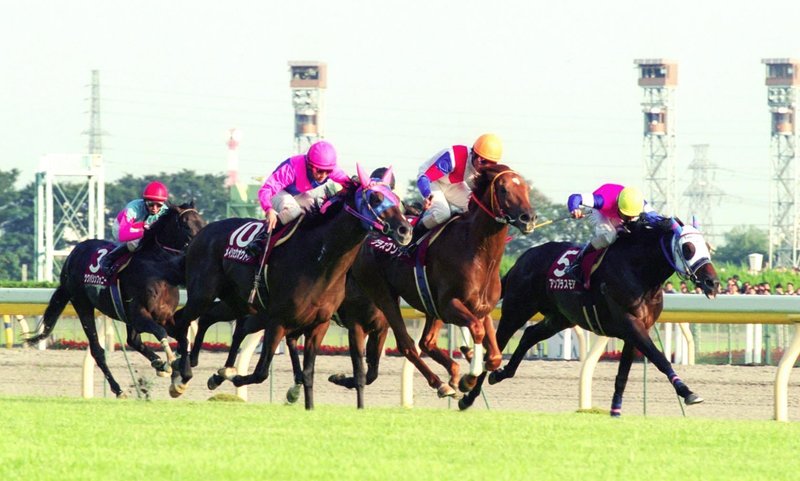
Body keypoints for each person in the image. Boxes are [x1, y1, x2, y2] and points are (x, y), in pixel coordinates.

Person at [564, 184, 660, 284]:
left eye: (633, 216)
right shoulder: (601, 201)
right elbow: (575, 197)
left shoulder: (638, 203)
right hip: (597, 210)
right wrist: (574, 209)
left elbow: (656, 218)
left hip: (616, 210)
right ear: (619, 208)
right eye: (627, 216)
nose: (630, 218)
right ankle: (577, 263)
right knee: (609, 236)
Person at [414, 133, 503, 239]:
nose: (485, 168)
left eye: (492, 164)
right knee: (442, 214)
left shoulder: (480, 166)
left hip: (452, 184)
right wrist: (427, 195)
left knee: (475, 207)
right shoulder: (453, 157)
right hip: (432, 182)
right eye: (484, 162)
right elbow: (424, 178)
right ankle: (415, 233)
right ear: (477, 156)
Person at [256, 140, 350, 233]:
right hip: (277, 193)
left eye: (328, 171)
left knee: (316, 210)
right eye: (319, 171)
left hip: (297, 194)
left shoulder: (330, 169)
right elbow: (265, 190)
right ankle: (265, 234)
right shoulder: (291, 168)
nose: (324, 175)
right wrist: (268, 209)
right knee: (293, 211)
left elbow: (349, 183)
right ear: (309, 165)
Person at [100, 181, 169, 276]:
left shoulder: (165, 211)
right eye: (151, 204)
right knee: (136, 242)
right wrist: (145, 232)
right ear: (145, 201)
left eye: (159, 205)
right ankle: (108, 259)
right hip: (122, 228)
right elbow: (122, 235)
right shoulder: (133, 208)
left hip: (143, 227)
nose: (155, 208)